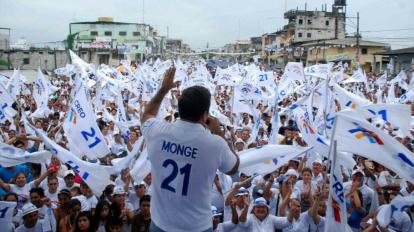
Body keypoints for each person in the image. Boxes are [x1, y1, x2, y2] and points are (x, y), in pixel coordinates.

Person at [141, 67, 239, 231]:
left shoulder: (157, 131)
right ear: (205, 114)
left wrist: (164, 89)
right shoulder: (215, 143)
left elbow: (147, 114)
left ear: (179, 109)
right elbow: (233, 168)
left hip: (160, 224)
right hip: (196, 226)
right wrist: (219, 132)